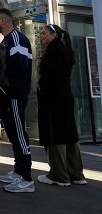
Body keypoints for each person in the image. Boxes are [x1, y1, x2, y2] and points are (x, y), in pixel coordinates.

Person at [0, 8, 35, 193]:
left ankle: (26, 178)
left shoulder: (16, 38)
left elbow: (19, 65)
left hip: (15, 94)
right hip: (9, 95)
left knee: (19, 135)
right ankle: (18, 172)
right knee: (14, 135)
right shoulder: (8, 40)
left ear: (3, 21)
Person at [36, 24, 87, 186]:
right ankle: (77, 175)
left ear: (54, 34)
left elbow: (49, 75)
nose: (41, 36)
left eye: (44, 33)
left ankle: (59, 176)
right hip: (65, 98)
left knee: (55, 134)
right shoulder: (64, 50)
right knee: (70, 134)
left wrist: (41, 65)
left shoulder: (52, 50)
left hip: (53, 100)